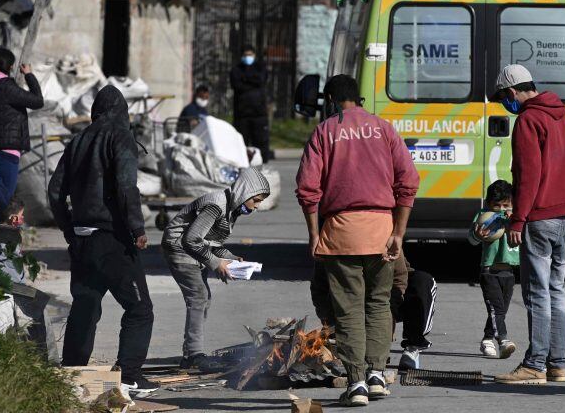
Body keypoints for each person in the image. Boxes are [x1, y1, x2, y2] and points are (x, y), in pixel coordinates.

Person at [296, 74, 420, 407]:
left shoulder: (325, 131)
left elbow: (308, 190)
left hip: (341, 232)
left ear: (332, 100)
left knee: (348, 309)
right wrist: (398, 232)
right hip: (381, 229)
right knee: (379, 304)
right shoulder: (383, 128)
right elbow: (408, 182)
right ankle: (378, 374)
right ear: (359, 99)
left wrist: (313, 234)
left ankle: (357, 383)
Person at [48, 85, 156, 395]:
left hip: (82, 239)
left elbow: (55, 192)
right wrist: (137, 229)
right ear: (123, 113)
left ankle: (71, 374)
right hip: (113, 240)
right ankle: (129, 375)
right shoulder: (119, 136)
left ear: (95, 112)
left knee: (86, 305)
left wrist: (69, 230)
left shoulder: (78, 140)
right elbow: (126, 187)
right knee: (139, 309)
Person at [492, 64, 565, 385]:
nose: (505, 103)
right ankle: (558, 364)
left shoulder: (529, 120)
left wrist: (518, 219)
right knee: (556, 290)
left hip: (540, 216)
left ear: (512, 92)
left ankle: (535, 365)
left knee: (537, 293)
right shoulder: (563, 115)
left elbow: (527, 175)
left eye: (504, 97)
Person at [162, 168, 270, 369]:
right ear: (245, 192)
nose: (256, 207)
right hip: (180, 249)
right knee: (199, 296)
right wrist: (216, 263)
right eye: (255, 200)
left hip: (191, 250)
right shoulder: (216, 205)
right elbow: (191, 239)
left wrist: (229, 258)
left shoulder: (231, 208)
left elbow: (211, 242)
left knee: (202, 299)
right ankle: (194, 356)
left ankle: (191, 353)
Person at [310, 254, 437, 372]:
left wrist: (388, 316)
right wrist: (332, 324)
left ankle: (411, 346)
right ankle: (361, 365)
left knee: (422, 281)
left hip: (381, 300)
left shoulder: (382, 236)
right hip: (351, 302)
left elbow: (400, 278)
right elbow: (320, 288)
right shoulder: (335, 241)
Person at [0, 198, 60, 363]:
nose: (23, 220)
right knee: (39, 312)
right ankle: (48, 362)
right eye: (21, 216)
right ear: (14, 219)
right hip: (11, 288)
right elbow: (13, 276)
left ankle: (49, 361)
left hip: (11, 286)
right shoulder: (8, 239)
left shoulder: (3, 236)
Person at [0, 46, 44, 196]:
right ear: (10, 66)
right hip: (6, 152)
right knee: (3, 197)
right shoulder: (5, 87)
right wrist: (29, 74)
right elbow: (38, 101)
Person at [468, 180, 519, 359]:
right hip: (489, 271)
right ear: (488, 204)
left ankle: (487, 339)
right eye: (496, 205)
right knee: (496, 308)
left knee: (500, 311)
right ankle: (503, 340)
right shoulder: (484, 216)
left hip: (509, 272)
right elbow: (472, 240)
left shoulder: (515, 218)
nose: (501, 209)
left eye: (506, 205)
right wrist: (477, 235)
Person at [230, 45, 271, 162]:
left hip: (259, 113)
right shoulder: (236, 69)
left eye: (250, 55)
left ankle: (262, 162)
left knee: (261, 141)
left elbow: (261, 80)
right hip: (241, 114)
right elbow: (236, 85)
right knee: (241, 142)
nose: (248, 57)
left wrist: (245, 79)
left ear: (254, 55)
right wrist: (252, 81)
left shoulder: (260, 68)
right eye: (246, 55)